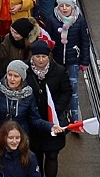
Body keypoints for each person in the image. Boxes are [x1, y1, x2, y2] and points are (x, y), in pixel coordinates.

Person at [24, 41, 71, 177]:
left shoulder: (59, 71)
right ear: (32, 56)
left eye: (44, 56)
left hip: (53, 119)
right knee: (35, 155)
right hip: (33, 121)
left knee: (51, 155)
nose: (40, 59)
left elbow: (67, 91)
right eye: (37, 56)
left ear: (49, 56)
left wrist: (56, 109)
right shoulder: (25, 70)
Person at [0, 62, 61, 143]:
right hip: (0, 136)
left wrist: (50, 126)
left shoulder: (28, 94)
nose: (12, 79)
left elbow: (34, 119)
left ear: (22, 78)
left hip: (19, 138)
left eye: (16, 76)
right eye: (10, 75)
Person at [42, 0, 90, 123]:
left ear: (72, 7)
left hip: (73, 59)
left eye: (67, 6)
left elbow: (85, 42)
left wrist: (84, 61)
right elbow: (48, 40)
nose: (64, 8)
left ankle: (75, 118)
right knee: (57, 88)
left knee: (73, 89)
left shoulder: (79, 21)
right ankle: (59, 114)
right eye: (61, 5)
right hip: (57, 60)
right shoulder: (52, 20)